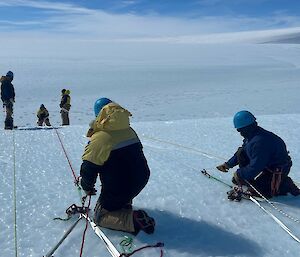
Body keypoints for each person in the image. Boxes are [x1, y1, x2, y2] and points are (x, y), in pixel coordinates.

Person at [79, 98, 155, 235]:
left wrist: (87, 187)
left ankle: (133, 220)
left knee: (99, 216)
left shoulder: (101, 137)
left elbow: (88, 168)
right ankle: (124, 203)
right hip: (141, 179)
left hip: (119, 186)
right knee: (121, 173)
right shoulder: (129, 130)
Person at [216, 110, 300, 198]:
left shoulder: (259, 142)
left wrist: (240, 174)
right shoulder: (251, 135)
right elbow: (242, 152)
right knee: (241, 152)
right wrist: (228, 164)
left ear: (245, 128)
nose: (239, 133)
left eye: (239, 130)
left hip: (277, 169)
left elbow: (256, 166)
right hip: (265, 164)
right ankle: (248, 179)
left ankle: (284, 184)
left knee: (261, 193)